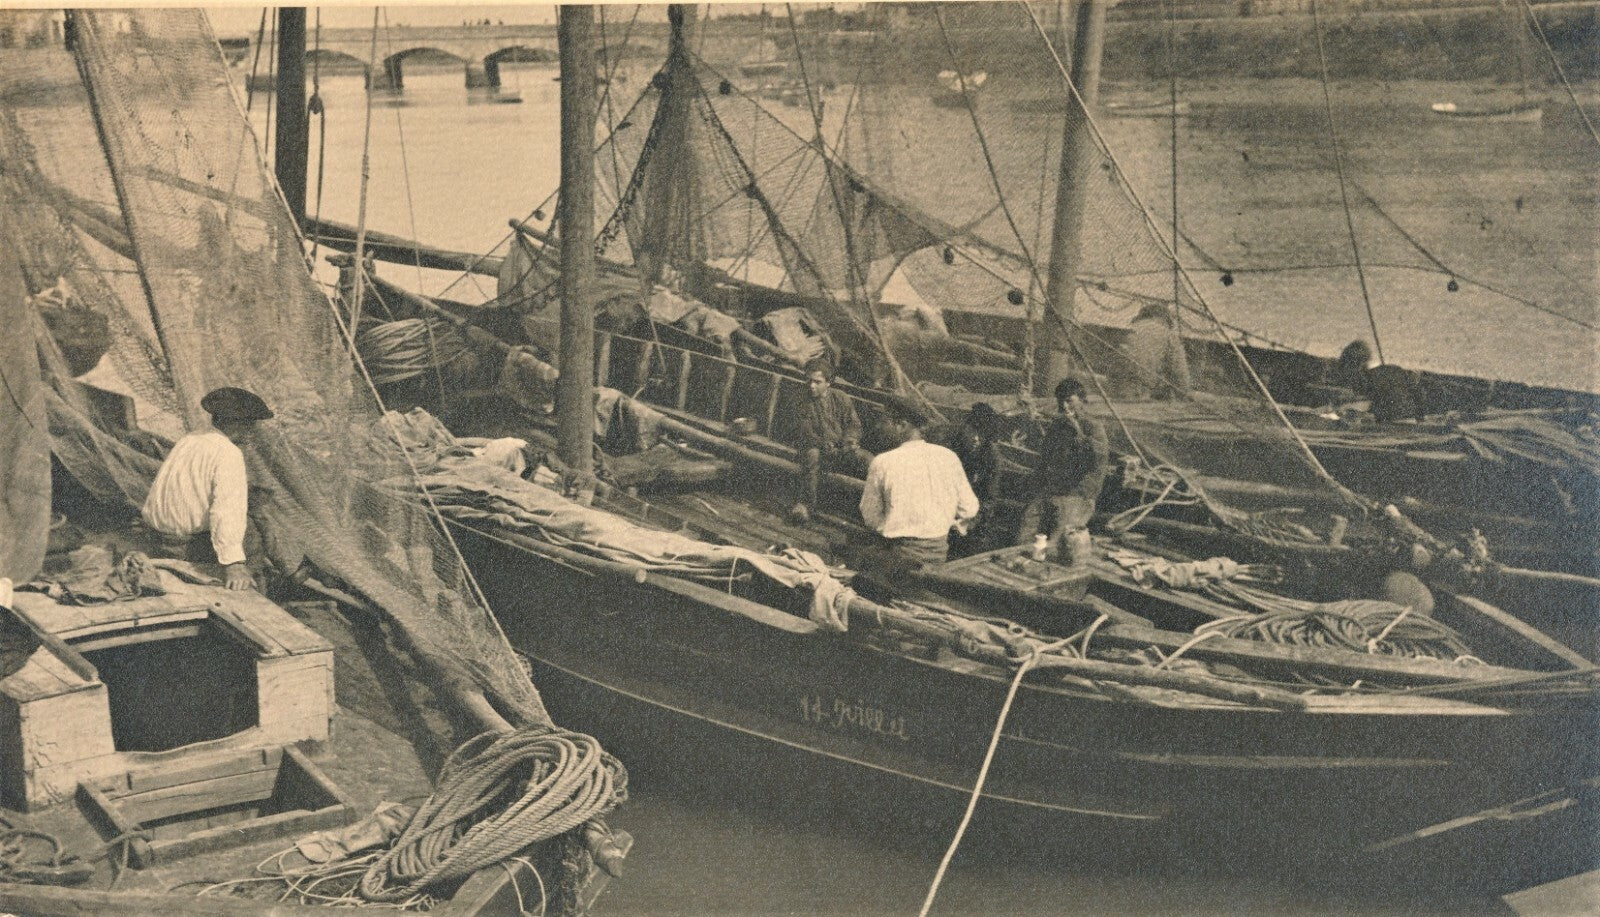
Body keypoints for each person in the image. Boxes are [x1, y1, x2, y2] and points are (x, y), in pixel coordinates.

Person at [141, 387, 273, 590]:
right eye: (251, 424)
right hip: (186, 546)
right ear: (238, 424)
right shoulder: (229, 453)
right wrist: (233, 564)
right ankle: (257, 595)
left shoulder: (190, 439)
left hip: (156, 536)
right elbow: (226, 510)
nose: (253, 431)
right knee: (253, 537)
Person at [859, 402, 979, 566]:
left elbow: (870, 515)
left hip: (900, 553)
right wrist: (947, 526)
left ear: (901, 425)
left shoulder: (883, 462)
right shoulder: (948, 457)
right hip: (939, 552)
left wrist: (891, 528)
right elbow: (969, 508)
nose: (879, 427)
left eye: (884, 422)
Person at [1018, 378, 1109, 556]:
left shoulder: (1093, 427)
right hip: (1051, 491)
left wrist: (1077, 431)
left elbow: (1096, 459)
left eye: (1069, 400)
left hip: (1077, 495)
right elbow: (1045, 457)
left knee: (1059, 547)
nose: (1064, 406)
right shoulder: (1058, 425)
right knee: (1024, 536)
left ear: (1082, 401)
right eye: (1061, 401)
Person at [790, 366, 872, 523]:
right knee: (811, 455)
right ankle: (806, 505)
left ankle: (874, 511)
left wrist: (850, 441)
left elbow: (854, 424)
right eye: (809, 381)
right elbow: (805, 431)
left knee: (868, 460)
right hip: (818, 449)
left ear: (828, 383)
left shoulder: (841, 398)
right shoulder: (802, 401)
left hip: (842, 448)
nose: (811, 386)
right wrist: (823, 444)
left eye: (817, 382)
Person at [1336, 340, 1426, 424]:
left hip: (1391, 424)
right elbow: (1418, 392)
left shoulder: (1368, 378)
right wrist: (1420, 418)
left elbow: (1367, 405)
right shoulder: (1394, 370)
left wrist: (1347, 410)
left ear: (1356, 366)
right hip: (1412, 421)